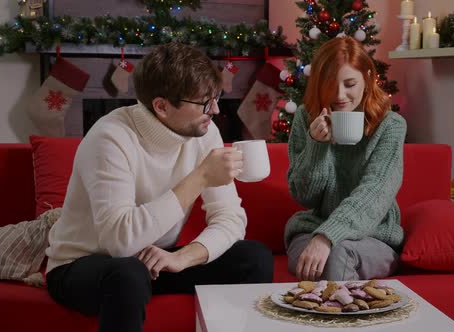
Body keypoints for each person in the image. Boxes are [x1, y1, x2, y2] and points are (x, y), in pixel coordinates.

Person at [45, 43, 274, 332]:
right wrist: (201, 177)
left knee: (254, 258)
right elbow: (121, 242)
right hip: (83, 266)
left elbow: (231, 219)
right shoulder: (110, 138)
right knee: (127, 273)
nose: (215, 110)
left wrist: (182, 257)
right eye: (205, 102)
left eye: (216, 98)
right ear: (162, 106)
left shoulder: (204, 132)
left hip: (153, 262)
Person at [285, 36, 406, 282]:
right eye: (330, 84)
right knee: (324, 260)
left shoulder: (390, 125)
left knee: (338, 255)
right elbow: (304, 196)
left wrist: (328, 236)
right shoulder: (305, 117)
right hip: (311, 229)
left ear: (368, 78)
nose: (339, 95)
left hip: (374, 235)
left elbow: (374, 193)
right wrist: (316, 146)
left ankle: (338, 319)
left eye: (350, 84)